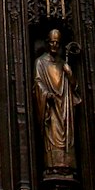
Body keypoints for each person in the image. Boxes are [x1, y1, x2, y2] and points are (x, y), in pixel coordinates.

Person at [33, 28, 81, 178]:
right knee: (52, 136)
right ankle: (53, 167)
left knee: (67, 137)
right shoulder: (40, 62)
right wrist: (47, 95)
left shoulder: (63, 64)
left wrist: (70, 74)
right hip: (51, 108)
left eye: (57, 43)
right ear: (47, 43)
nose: (54, 45)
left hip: (65, 110)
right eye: (52, 42)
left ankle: (67, 166)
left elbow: (75, 89)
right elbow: (37, 83)